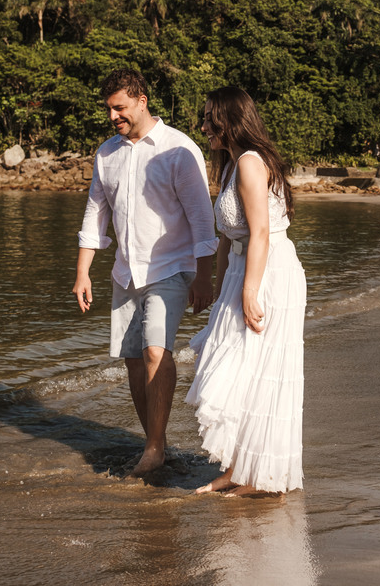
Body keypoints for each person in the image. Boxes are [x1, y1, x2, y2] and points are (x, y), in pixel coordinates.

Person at [73, 68, 217, 478]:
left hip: (171, 267)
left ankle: (153, 449)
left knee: (156, 351)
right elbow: (94, 215)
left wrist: (204, 277)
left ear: (142, 100)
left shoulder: (178, 149)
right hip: (125, 273)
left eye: (119, 107)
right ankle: (158, 441)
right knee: (134, 360)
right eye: (109, 109)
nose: (112, 116)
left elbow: (202, 221)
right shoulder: (106, 153)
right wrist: (83, 272)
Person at [187, 86, 307, 497]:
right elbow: (227, 238)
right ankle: (237, 470)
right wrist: (222, 291)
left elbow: (259, 233)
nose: (202, 126)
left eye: (208, 118)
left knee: (256, 372)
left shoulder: (252, 164)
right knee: (237, 371)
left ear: (229, 120)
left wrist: (250, 291)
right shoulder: (230, 166)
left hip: (269, 270)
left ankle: (257, 474)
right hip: (242, 267)